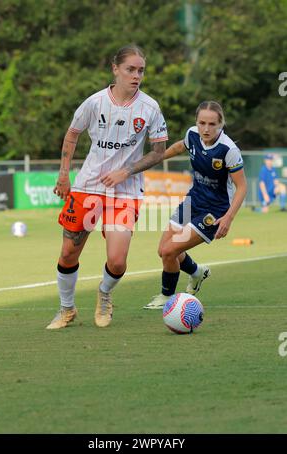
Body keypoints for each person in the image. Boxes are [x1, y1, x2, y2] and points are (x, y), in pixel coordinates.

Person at [46, 44, 168, 329]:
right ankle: (67, 309)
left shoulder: (150, 108)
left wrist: (126, 170)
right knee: (68, 253)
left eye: (141, 70)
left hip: (125, 191)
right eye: (130, 69)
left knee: (117, 261)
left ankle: (104, 295)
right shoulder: (94, 103)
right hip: (88, 186)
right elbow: (72, 135)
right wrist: (64, 175)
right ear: (116, 69)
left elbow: (158, 151)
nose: (136, 75)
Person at [143, 101, 247, 310]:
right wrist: (157, 157)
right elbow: (180, 146)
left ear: (221, 124)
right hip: (192, 201)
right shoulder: (192, 134)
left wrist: (228, 218)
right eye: (202, 123)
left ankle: (167, 297)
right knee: (163, 250)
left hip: (214, 211)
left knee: (170, 251)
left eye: (211, 124)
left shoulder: (228, 150)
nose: (206, 129)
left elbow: (242, 187)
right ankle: (197, 272)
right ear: (196, 122)